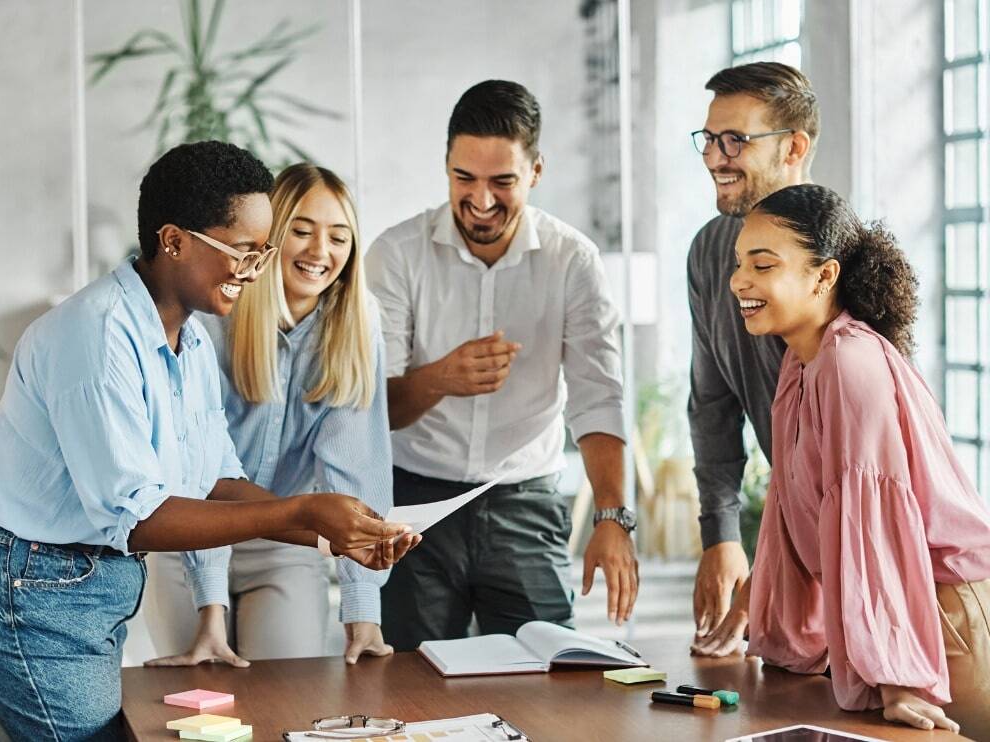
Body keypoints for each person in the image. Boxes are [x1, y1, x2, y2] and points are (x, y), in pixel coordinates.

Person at [0, 141, 412, 741]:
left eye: (263, 252)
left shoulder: (189, 341)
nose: (255, 271)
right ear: (174, 241)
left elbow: (214, 483)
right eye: (243, 252)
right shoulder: (97, 338)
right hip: (29, 590)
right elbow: (139, 517)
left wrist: (334, 536)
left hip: (83, 586)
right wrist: (305, 508)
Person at [367, 79, 637, 651]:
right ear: (445, 166)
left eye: (503, 182)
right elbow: (373, 410)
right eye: (464, 178)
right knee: (409, 686)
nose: (482, 200)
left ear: (536, 172)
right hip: (414, 503)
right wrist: (441, 377)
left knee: (547, 680)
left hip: (525, 501)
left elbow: (599, 396)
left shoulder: (574, 261)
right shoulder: (396, 255)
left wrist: (612, 517)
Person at [730, 183, 990, 736]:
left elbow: (879, 530)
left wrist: (896, 676)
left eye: (762, 264)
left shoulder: (850, 363)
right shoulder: (801, 364)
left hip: (943, 617)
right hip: (903, 614)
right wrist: (771, 618)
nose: (739, 282)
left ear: (825, 276)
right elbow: (792, 506)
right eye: (739, 263)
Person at [145, 164, 415, 667]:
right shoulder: (216, 314)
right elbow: (196, 469)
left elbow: (355, 466)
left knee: (286, 696)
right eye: (302, 231)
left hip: (285, 543)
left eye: (339, 237)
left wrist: (363, 610)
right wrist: (210, 606)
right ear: (269, 239)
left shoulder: (357, 323)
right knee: (198, 706)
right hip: (189, 540)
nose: (320, 253)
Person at [685, 62, 819, 650]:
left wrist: (769, 570)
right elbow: (711, 404)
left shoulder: (842, 258)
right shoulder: (710, 250)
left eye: (736, 139)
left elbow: (848, 467)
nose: (716, 156)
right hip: (795, 536)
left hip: (864, 547)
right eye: (710, 139)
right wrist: (721, 533)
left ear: (793, 147)